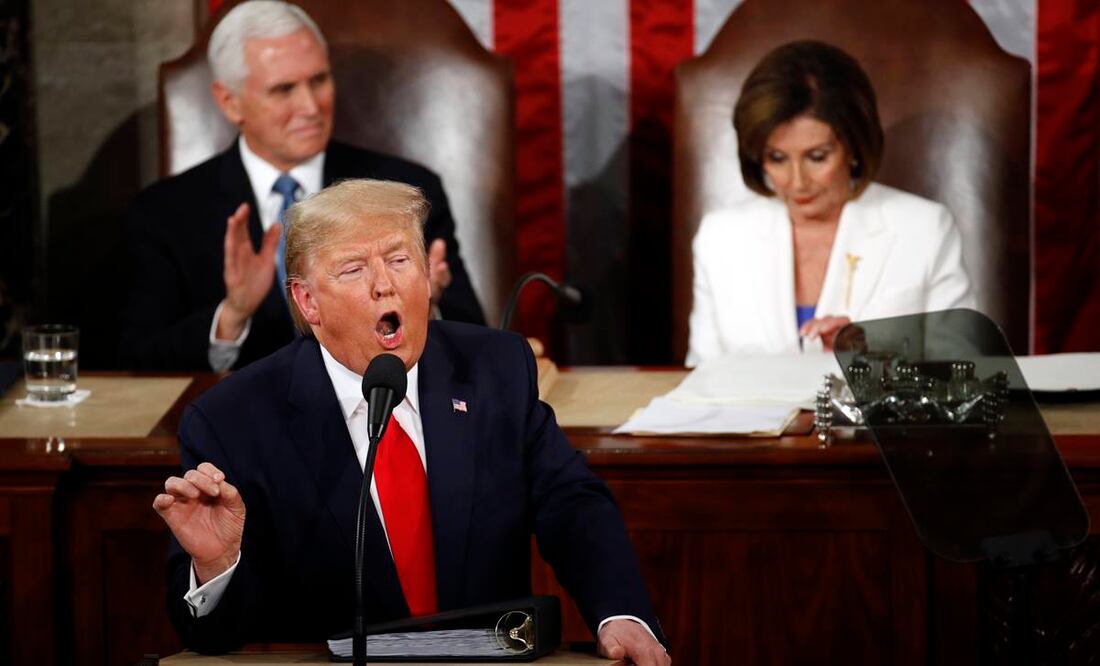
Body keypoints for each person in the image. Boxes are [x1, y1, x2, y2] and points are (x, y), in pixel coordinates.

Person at [152, 179, 671, 664]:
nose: (385, 286)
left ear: (426, 275)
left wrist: (620, 610)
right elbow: (208, 639)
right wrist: (219, 567)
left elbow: (572, 503)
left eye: (400, 259)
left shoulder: (496, 370)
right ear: (308, 301)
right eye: (353, 269)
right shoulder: (234, 420)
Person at [120, 0, 484, 372]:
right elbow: (140, 359)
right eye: (284, 90)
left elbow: (472, 337)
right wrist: (232, 316)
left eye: (319, 81)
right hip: (242, 420)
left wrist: (422, 302)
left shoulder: (404, 191)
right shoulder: (165, 212)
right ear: (231, 103)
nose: (310, 106)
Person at [686, 40, 975, 366]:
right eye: (777, 158)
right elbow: (701, 383)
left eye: (817, 157)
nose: (797, 181)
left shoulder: (923, 229)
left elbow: (965, 378)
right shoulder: (720, 236)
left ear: (854, 145)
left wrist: (871, 368)